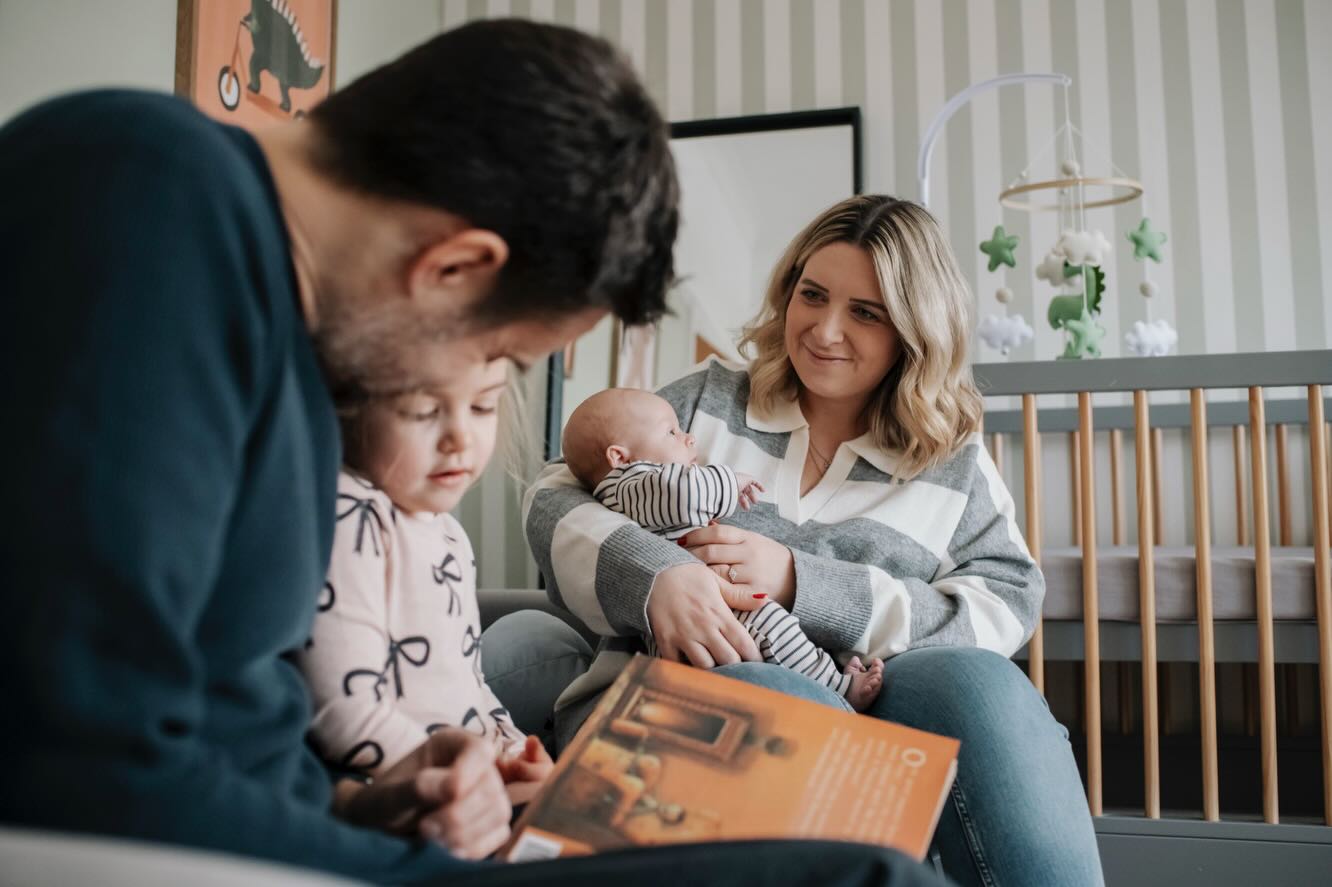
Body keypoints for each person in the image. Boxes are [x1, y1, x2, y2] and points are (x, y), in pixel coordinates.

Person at [0, 16, 946, 886]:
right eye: (500, 354)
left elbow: (217, 729)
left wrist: (372, 801)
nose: (471, 402)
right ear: (453, 269)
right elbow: (88, 758)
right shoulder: (140, 195)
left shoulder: (272, 329)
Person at [526, 195, 1106, 886]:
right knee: (780, 697)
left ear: (914, 331)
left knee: (985, 685)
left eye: (866, 312)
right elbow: (551, 494)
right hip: (693, 696)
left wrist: (805, 582)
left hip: (878, 693)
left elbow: (1007, 600)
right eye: (813, 295)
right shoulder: (704, 402)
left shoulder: (953, 462)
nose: (825, 330)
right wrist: (657, 576)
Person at [294, 356, 558, 813]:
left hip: (467, 781)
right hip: (400, 796)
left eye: (482, 407)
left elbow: (470, 681)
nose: (460, 439)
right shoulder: (350, 513)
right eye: (423, 411)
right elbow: (343, 711)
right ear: (351, 410)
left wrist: (513, 750)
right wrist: (466, 782)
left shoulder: (447, 531)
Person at [561, 387, 884, 710]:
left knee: (776, 636)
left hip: (707, 613)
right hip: (708, 613)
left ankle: (831, 680)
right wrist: (730, 482)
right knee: (774, 627)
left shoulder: (637, 491)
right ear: (620, 457)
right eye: (671, 432)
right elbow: (681, 493)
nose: (689, 439)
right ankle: (838, 688)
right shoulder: (628, 485)